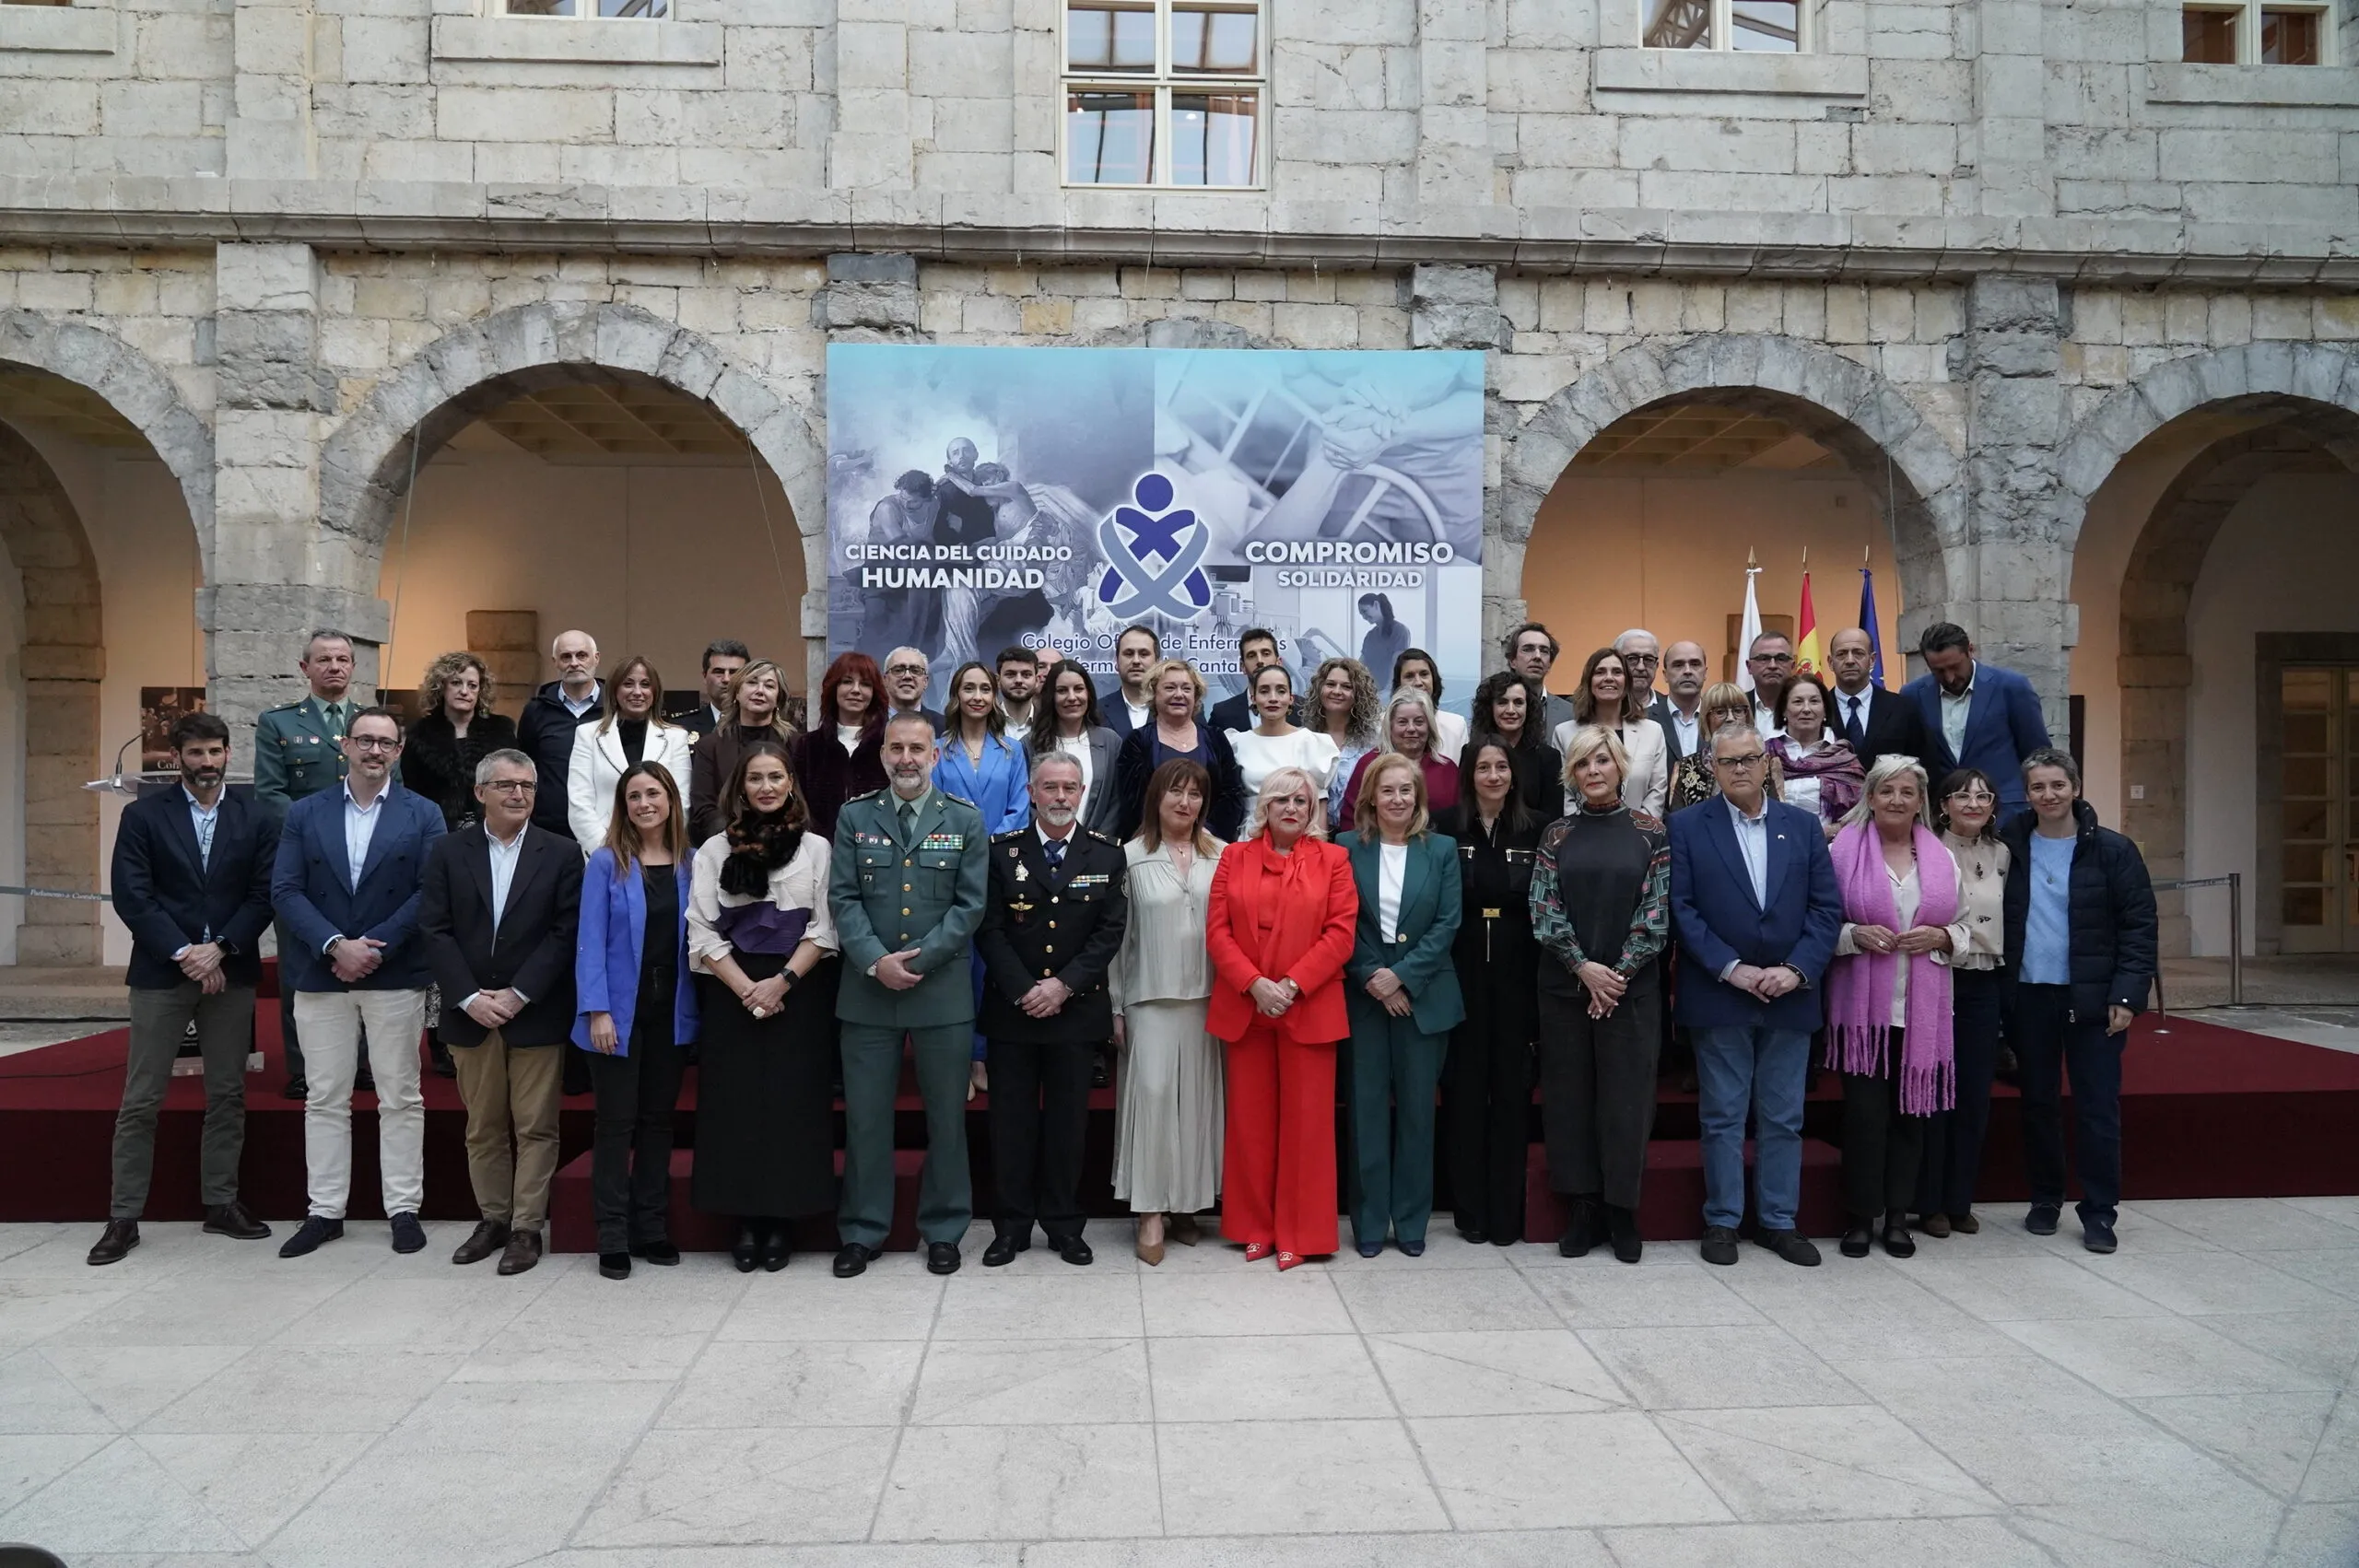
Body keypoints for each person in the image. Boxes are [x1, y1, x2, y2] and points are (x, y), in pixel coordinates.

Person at [88, 713, 276, 1266]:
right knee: (141, 1097)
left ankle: (221, 1203)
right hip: (161, 972)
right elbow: (133, 894)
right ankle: (124, 1217)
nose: (207, 762)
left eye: (215, 751)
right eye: (196, 753)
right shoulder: (143, 815)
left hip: (230, 971)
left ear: (228, 754)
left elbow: (264, 893)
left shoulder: (257, 816)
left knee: (228, 1093)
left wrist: (220, 949)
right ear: (177, 758)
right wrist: (186, 953)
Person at [271, 707, 447, 1258]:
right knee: (325, 1096)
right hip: (321, 971)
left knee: (401, 1096)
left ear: (399, 752)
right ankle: (325, 1212)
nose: (375, 751)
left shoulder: (424, 813)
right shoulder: (305, 812)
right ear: (345, 745)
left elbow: (430, 891)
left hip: (392, 970)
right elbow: (286, 889)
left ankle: (403, 1209)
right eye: (365, 740)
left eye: (386, 743)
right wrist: (334, 945)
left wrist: (373, 947)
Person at [1668, 721, 1843, 1269]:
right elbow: (1681, 909)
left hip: (1790, 993)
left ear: (1767, 763)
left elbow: (1826, 909)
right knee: (1722, 1115)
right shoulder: (1687, 826)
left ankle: (1778, 1222)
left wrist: (1795, 969)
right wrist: (1731, 968)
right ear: (1712, 768)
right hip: (1720, 992)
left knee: (1783, 1117)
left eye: (1748, 758)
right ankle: (1722, 1220)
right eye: (1728, 761)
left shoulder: (1803, 827)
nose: (1739, 768)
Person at [829, 713, 991, 1278]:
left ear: (935, 755)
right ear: (882, 756)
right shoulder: (854, 816)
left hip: (940, 993)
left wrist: (915, 962)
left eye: (916, 749)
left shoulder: (965, 819)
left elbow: (970, 905)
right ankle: (862, 1230)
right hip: (868, 993)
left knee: (946, 1120)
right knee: (866, 1120)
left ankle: (944, 1230)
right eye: (896, 748)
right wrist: (877, 962)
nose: (906, 759)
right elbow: (843, 899)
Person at [419, 748, 584, 1277]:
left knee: (536, 1127)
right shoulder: (448, 851)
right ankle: (493, 1219)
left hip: (534, 1011)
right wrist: (469, 996)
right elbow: (434, 929)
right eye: (507, 785)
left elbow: (566, 932)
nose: (518, 794)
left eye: (527, 786)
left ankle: (526, 1228)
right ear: (480, 793)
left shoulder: (561, 852)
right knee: (484, 1127)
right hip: (471, 1014)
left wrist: (520, 993)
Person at [690, 743, 841, 1272]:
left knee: (790, 1106)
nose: (766, 787)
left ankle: (783, 1221)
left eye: (776, 777)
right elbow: (701, 929)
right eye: (755, 778)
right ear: (740, 787)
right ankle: (744, 1220)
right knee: (736, 1108)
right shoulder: (714, 850)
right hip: (732, 990)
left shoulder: (817, 849)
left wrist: (780, 984)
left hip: (798, 989)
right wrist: (746, 988)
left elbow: (824, 927)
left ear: (791, 783)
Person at [2001, 746, 2156, 1254]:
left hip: (2092, 998)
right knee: (2038, 1104)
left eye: (2057, 785)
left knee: (2096, 1107)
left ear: (2076, 788)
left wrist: (2127, 994)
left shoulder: (2114, 850)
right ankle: (2046, 1199)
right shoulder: (2008, 845)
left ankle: (2100, 1211)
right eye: (2038, 787)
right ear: (2027, 794)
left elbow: (2138, 927)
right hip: (2029, 995)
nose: (2048, 795)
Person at [976, 753, 1129, 1268]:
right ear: (1032, 793)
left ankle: (1064, 1224)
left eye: (1069, 787)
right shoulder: (1001, 851)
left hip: (1075, 1012)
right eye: (1050, 787)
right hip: (1013, 1011)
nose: (1060, 797)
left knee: (1068, 1127)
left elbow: (1109, 932)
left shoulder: (1106, 854)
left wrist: (1062, 987)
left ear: (1082, 793)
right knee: (1010, 1126)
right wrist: (1026, 989)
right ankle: (1011, 1227)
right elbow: (989, 929)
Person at [1205, 766, 1356, 1269]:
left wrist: (1290, 986)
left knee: (1307, 1127)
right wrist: (1255, 984)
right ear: (1264, 806)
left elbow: (1340, 934)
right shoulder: (1234, 856)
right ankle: (1256, 1227)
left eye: (1301, 801)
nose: (1291, 808)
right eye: (1281, 800)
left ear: (1312, 809)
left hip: (1307, 1006)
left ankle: (1301, 1232)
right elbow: (1218, 933)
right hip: (1247, 1007)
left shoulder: (1334, 860)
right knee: (1250, 1126)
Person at [1532, 725, 1671, 1264]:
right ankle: (1583, 1208)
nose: (1593, 771)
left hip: (1630, 994)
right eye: (1583, 764)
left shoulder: (1650, 832)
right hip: (1567, 991)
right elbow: (1544, 910)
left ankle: (1621, 1210)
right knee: (1570, 1101)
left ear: (1620, 768)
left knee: (1626, 1104)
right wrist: (1584, 968)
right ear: (1572, 773)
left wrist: (1616, 975)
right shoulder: (1556, 834)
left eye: (1602, 761)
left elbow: (1655, 915)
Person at [1825, 755, 1966, 1260]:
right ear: (1870, 797)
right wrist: (1853, 934)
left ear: (1920, 800)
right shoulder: (1843, 852)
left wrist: (1943, 936)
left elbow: (1965, 927)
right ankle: (1861, 1219)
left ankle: (1898, 1218)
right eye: (1886, 791)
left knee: (1911, 1116)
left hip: (1921, 1010)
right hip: (1864, 1016)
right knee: (1865, 1119)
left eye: (1907, 792)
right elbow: (1821, 921)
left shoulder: (1941, 857)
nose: (1897, 800)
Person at [572, 760, 698, 1281]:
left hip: (672, 1012)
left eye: (653, 793)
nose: (644, 804)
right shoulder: (607, 862)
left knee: (657, 1122)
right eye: (633, 797)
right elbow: (589, 941)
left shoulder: (692, 861)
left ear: (671, 799)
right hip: (617, 1013)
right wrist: (597, 1010)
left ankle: (651, 1227)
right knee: (615, 1123)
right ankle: (612, 1234)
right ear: (623, 807)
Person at [1338, 753, 1464, 1257]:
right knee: (1366, 1114)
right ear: (1371, 797)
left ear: (1419, 797)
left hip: (1423, 998)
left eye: (1406, 791)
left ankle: (1411, 1223)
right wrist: (1374, 976)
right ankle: (1369, 1223)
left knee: (1417, 1115)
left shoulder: (1442, 849)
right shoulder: (1345, 847)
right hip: (1365, 998)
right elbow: (1339, 919)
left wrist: (1403, 978)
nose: (1397, 799)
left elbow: (1448, 922)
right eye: (1387, 790)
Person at [1109, 759, 1226, 1265]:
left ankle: (1186, 1205)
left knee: (1196, 1106)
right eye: (1175, 792)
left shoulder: (1222, 854)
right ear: (1156, 797)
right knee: (1153, 1102)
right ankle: (1151, 1212)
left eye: (1194, 794)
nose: (1185, 802)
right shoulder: (1130, 856)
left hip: (1207, 998)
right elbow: (1118, 940)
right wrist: (1116, 1004)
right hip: (1148, 996)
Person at [1434, 740, 1542, 1247]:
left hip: (1519, 977)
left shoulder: (1538, 828)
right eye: (1483, 767)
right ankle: (1470, 1212)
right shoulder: (1445, 827)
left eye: (1502, 767)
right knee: (1465, 1096)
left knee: (1512, 1097)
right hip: (1461, 973)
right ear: (1469, 775)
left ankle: (1507, 1214)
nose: (1494, 776)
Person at [254, 628, 358, 1101]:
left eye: (342, 659)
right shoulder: (278, 723)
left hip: (364, 863)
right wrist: (320, 837)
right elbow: (270, 794)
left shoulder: (371, 723)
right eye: (324, 659)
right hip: (303, 866)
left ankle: (361, 1062)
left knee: (363, 960)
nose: (334, 666)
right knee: (299, 968)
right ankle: (303, 1067)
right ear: (305, 668)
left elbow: (391, 788)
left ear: (352, 666)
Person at [1915, 767, 2009, 1237]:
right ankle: (1928, 1201)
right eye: (1963, 796)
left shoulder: (2005, 853)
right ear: (1943, 803)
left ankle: (1959, 1199)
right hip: (1937, 975)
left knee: (1973, 1093)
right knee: (1934, 1092)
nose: (1973, 804)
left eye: (1983, 796)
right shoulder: (1925, 848)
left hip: (1984, 981)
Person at [1907, 623, 2054, 815]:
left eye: (1955, 667)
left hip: (2004, 811)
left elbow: (2036, 752)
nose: (1950, 678)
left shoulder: (2011, 687)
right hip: (1943, 814)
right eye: (1938, 671)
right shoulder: (1913, 694)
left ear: (1970, 650)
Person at [568, 655, 696, 856]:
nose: (637, 692)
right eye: (628, 684)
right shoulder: (587, 735)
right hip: (603, 850)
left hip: (660, 852)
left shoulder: (676, 737)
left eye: (645, 684)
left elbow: (681, 801)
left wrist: (655, 849)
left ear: (655, 691)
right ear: (614, 690)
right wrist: (607, 853)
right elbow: (579, 802)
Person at [1117, 657, 1246, 840]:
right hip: (1154, 841)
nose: (1179, 694)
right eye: (1170, 688)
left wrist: (1206, 832)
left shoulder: (1215, 738)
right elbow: (1131, 802)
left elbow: (1232, 793)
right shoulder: (1138, 741)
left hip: (1208, 842)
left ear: (1196, 696)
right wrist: (1165, 833)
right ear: (1154, 693)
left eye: (1186, 689)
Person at [402, 651, 519, 834]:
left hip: (494, 831)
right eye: (456, 683)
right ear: (442, 686)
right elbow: (412, 793)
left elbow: (514, 783)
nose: (464, 691)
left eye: (472, 685)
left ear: (480, 691)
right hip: (437, 832)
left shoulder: (501, 731)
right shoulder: (419, 734)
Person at [688, 657, 798, 844]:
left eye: (769, 686)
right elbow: (704, 808)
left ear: (778, 699)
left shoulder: (796, 744)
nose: (760, 691)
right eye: (752, 683)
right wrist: (740, 838)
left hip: (785, 843)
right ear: (737, 693)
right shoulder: (710, 746)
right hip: (727, 844)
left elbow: (803, 802)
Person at [1554, 648, 1668, 819]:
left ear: (1627, 682)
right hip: (1583, 831)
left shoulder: (1653, 731)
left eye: (1617, 672)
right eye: (1600, 672)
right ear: (1589, 681)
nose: (1609, 678)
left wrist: (1638, 828)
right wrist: (1581, 829)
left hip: (1639, 831)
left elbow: (1657, 791)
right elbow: (1565, 794)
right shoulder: (1564, 733)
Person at [790, 650, 888, 843]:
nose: (856, 690)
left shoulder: (888, 745)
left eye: (865, 684)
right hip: (820, 849)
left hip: (878, 851)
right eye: (847, 682)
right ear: (833, 688)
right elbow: (798, 805)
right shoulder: (808, 746)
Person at [516, 629, 604, 837]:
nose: (574, 663)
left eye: (581, 655)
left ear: (596, 658)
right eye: (566, 657)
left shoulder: (616, 708)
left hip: (605, 825)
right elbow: (526, 767)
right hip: (550, 829)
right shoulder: (536, 711)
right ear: (555, 662)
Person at [935, 660, 1033, 837]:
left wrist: (992, 845)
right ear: (956, 695)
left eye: (985, 689)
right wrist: (966, 846)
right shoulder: (937, 750)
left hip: (1001, 849)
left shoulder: (1012, 750)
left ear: (994, 697)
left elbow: (1019, 810)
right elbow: (933, 809)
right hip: (952, 849)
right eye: (969, 688)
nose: (978, 697)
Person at [1027, 661, 1123, 837]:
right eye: (1062, 690)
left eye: (1078, 689)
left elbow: (1116, 802)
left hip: (1097, 847)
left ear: (1089, 693)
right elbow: (1027, 802)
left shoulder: (1110, 741)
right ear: (1050, 696)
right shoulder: (1030, 744)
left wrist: (1094, 843)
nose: (1071, 697)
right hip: (1043, 846)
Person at [1766, 672, 1864, 838]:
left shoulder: (1844, 759)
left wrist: (1825, 834)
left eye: (1814, 701)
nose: (1806, 709)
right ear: (1784, 710)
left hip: (1829, 848)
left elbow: (1860, 814)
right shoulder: (1764, 753)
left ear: (1825, 710)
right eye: (1798, 702)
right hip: (1772, 846)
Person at [1666, 683, 1786, 814]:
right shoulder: (1685, 767)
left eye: (1738, 711)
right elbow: (1677, 821)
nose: (1730, 718)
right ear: (1706, 718)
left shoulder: (1766, 763)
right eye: (1720, 712)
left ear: (1747, 716)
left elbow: (1778, 815)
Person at [1342, 686, 1461, 817]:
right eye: (1402, 722)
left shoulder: (1447, 769)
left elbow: (1460, 818)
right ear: (1390, 726)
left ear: (1429, 726)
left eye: (1419, 722)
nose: (1411, 728)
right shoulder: (1369, 765)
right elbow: (1351, 817)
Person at [1228, 661, 1340, 801]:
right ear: (1253, 699)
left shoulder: (1312, 744)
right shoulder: (1237, 744)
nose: (1273, 698)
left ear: (1291, 699)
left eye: (1281, 691)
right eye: (1264, 691)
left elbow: (1319, 803)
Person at [1826, 626, 1931, 771]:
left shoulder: (1903, 708)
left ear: (1872, 660)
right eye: (1841, 654)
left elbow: (1922, 765)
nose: (1850, 660)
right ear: (1830, 662)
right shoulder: (1818, 709)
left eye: (1858, 653)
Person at [1469, 669, 1563, 818]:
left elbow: (1553, 819)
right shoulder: (1470, 753)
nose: (1511, 710)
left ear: (1529, 708)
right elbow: (1465, 807)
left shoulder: (1548, 758)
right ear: (1489, 708)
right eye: (1502, 702)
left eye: (1518, 703)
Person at [1309, 656, 1380, 831]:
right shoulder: (1305, 738)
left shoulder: (1374, 741)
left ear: (1359, 694)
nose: (1337, 691)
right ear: (1319, 688)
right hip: (1313, 834)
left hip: (1361, 833)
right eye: (1330, 684)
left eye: (1347, 687)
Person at [1209, 627, 1297, 735]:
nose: (1259, 661)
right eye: (1251, 656)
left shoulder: (1304, 710)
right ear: (1242, 666)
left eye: (1266, 653)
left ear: (1279, 662)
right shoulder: (1222, 714)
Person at [1391, 649, 1469, 764]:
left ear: (1434, 679)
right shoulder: (1381, 725)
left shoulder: (1456, 725)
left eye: (1424, 674)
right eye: (1409, 676)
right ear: (1399, 684)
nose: (1418, 682)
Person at [1506, 621, 1578, 733]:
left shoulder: (1570, 713)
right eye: (1528, 649)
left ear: (1549, 663)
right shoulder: (1494, 709)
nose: (1537, 656)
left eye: (1544, 651)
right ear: (1512, 661)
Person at [1100, 624, 1161, 740]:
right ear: (1116, 662)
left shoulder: (1176, 708)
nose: (1136, 661)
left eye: (1144, 654)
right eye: (1129, 654)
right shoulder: (1096, 712)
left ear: (1157, 662)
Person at [1655, 640, 1709, 765]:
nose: (1687, 671)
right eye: (1678, 665)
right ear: (1665, 675)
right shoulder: (1646, 719)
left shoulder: (1719, 718)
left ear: (1705, 673)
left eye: (1695, 664)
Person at [681, 639, 749, 737]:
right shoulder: (681, 726)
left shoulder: (762, 724)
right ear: (705, 676)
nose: (726, 679)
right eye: (719, 672)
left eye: (734, 672)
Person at [881, 645, 949, 733]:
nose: (907, 676)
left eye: (915, 671)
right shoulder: (867, 724)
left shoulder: (946, 728)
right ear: (885, 680)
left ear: (925, 681)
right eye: (898, 670)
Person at [1744, 631, 1795, 739]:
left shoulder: (1805, 708)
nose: (1772, 666)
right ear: (1749, 667)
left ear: (1792, 666)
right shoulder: (1736, 706)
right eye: (1764, 659)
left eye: (1781, 659)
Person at [1356, 591, 1411, 689]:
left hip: (1391, 689)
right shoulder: (1370, 636)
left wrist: (1389, 688)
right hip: (1372, 688)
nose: (1364, 617)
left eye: (1365, 611)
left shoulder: (1400, 630)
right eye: (1361, 614)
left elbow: (1397, 661)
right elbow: (1362, 662)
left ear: (1376, 605)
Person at [995, 644, 1042, 732]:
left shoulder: (1050, 724)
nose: (1018, 680)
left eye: (1026, 675)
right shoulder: (985, 721)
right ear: (998, 681)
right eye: (1010, 674)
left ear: (1037, 681)